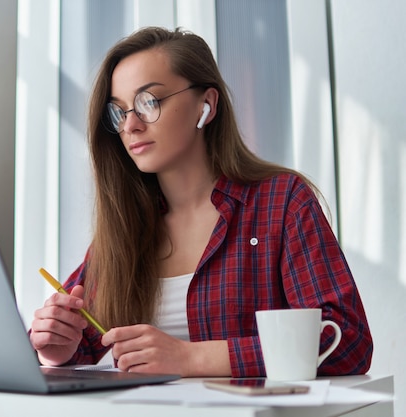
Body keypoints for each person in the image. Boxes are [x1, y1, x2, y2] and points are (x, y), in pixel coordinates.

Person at [28, 26, 373, 378]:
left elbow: (347, 340)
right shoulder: (125, 225)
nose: (130, 125)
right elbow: (77, 338)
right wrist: (56, 350)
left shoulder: (282, 201)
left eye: (149, 102)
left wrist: (192, 358)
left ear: (206, 104)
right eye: (119, 112)